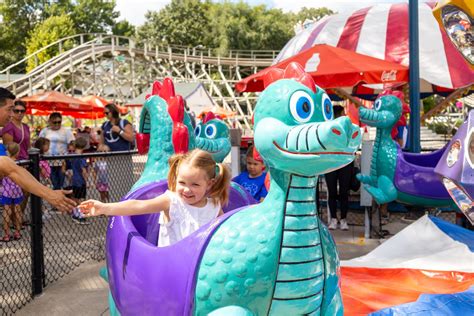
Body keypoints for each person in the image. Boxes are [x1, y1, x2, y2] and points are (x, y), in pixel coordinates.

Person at [79, 149, 231, 247]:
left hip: (199, 270)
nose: (186, 189)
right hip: (170, 269)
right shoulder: (172, 201)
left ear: (209, 184)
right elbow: (138, 206)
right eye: (182, 182)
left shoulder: (214, 207)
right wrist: (104, 208)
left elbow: (228, 231)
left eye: (195, 185)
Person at [0, 88, 75, 212]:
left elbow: (9, 167)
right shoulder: (9, 129)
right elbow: (8, 167)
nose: (12, 114)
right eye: (10, 109)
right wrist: (49, 194)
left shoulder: (24, 127)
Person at [2, 100, 32, 223]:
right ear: (12, 111)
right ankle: (14, 220)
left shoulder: (26, 127)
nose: (19, 113)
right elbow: (9, 147)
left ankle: (19, 218)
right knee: (15, 192)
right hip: (15, 163)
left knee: (26, 191)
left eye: (22, 111)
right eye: (16, 110)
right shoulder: (9, 126)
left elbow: (28, 146)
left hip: (26, 161)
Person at [324, 105, 353, 230]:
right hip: (331, 162)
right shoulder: (327, 127)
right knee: (333, 192)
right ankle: (335, 219)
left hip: (344, 162)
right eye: (343, 113)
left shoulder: (348, 128)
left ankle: (343, 219)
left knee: (343, 191)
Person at [39, 112, 75, 190]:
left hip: (62, 162)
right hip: (48, 162)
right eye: (54, 122)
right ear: (50, 121)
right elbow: (39, 144)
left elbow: (72, 144)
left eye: (59, 122)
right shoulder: (44, 131)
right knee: (53, 183)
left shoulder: (66, 131)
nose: (57, 124)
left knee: (62, 183)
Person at [1, 143, 24, 242]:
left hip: (7, 190)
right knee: (18, 210)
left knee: (7, 211)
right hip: (17, 190)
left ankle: (6, 234)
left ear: (8, 152)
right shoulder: (20, 163)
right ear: (18, 152)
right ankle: (18, 232)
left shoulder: (5, 163)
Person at [69, 137, 89, 225]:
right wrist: (87, 181)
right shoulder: (82, 157)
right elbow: (83, 170)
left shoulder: (72, 155)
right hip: (80, 181)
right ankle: (80, 216)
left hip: (74, 180)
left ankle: (76, 213)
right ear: (84, 146)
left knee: (76, 197)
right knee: (81, 199)